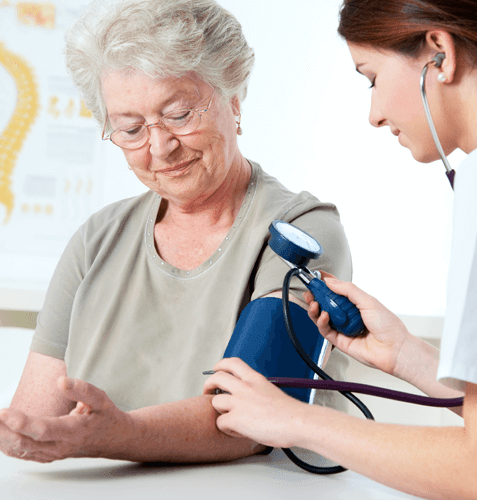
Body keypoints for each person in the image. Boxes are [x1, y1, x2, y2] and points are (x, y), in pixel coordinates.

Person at [0, 0, 353, 464]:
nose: (161, 148)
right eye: (131, 129)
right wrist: (30, 434)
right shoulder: (98, 239)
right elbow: (33, 427)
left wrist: (113, 434)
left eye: (181, 114)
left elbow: (251, 417)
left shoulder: (299, 230)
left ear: (232, 97)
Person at [203, 0, 477, 498]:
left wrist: (294, 421)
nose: (374, 115)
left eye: (372, 77)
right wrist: (406, 354)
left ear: (439, 54)